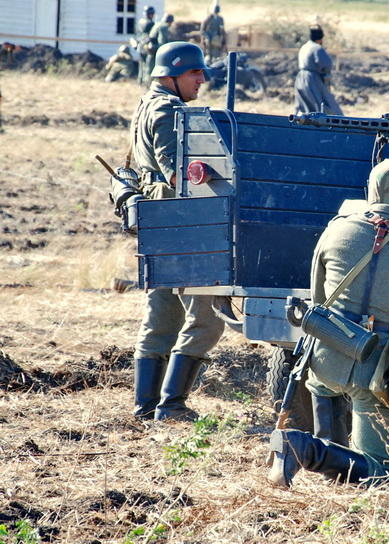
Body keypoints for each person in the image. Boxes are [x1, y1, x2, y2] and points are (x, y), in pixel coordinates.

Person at [268, 157, 389, 487]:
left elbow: (318, 299)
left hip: (325, 355)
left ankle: (318, 456)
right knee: (382, 472)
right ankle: (303, 448)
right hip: (378, 370)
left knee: (324, 395)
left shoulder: (336, 228)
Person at [130, 41, 224, 422]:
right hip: (179, 217)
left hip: (158, 215)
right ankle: (171, 405)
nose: (202, 79)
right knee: (209, 312)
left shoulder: (146, 104)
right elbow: (179, 175)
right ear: (171, 75)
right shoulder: (169, 111)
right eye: (194, 73)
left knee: (163, 311)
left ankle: (146, 404)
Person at [294, 25, 343, 115]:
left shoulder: (304, 47)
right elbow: (326, 64)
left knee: (304, 105)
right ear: (320, 39)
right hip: (312, 79)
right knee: (322, 104)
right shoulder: (317, 48)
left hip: (300, 78)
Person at [136, 5, 156, 86]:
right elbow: (151, 36)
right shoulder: (151, 23)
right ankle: (146, 83)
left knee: (141, 66)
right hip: (147, 46)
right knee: (148, 66)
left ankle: (140, 81)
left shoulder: (140, 22)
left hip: (140, 46)